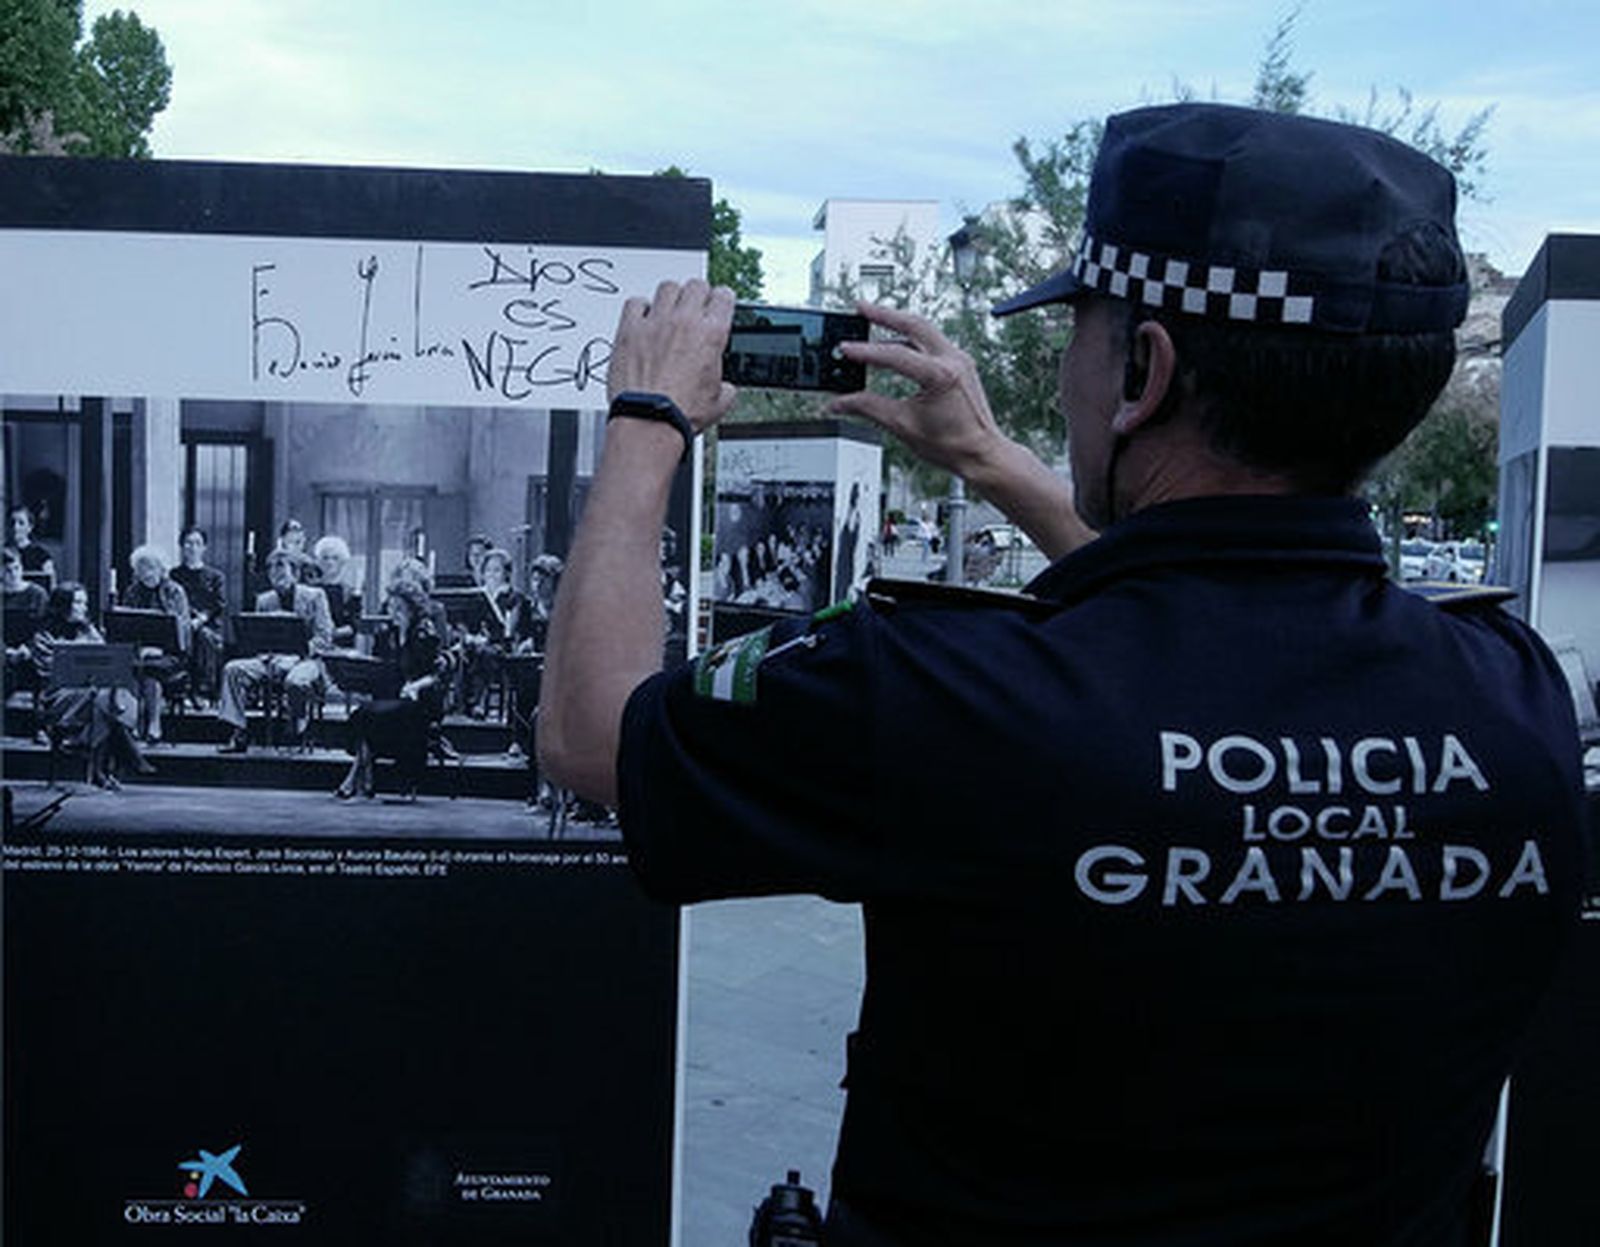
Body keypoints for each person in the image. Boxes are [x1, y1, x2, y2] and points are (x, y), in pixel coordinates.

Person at [539, 104, 1587, 1246]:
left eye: (1078, 334)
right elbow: (1189, 658)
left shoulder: (937, 693)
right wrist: (995, 463)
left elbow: (594, 734)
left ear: (1143, 368)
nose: (1065, 367)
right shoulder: (1513, 700)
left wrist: (646, 419)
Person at [335, 577, 450, 801]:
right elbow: (382, 670)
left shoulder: (423, 632)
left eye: (399, 608)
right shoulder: (387, 634)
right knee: (362, 714)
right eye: (391, 606)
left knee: (373, 714)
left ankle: (358, 777)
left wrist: (415, 685)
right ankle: (363, 772)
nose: (393, 612)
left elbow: (437, 674)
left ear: (412, 609)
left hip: (422, 699)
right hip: (394, 696)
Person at [32, 582, 152, 788]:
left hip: (94, 693)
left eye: (84, 603)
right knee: (105, 699)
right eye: (78, 602)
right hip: (59, 695)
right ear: (63, 604)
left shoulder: (90, 629)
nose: (83, 607)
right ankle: (119, 753)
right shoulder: (44, 634)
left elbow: (106, 661)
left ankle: (98, 770)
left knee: (104, 697)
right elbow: (49, 671)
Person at [216, 548, 332, 753]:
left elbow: (324, 638)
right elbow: (258, 641)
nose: (277, 576)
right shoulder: (264, 600)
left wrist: (297, 655)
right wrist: (269, 656)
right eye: (272, 572)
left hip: (308, 660)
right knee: (232, 669)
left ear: (295, 573)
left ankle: (297, 724)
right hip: (272, 659)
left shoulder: (315, 596)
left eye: (282, 570)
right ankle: (239, 730)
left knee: (296, 680)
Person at [121, 544, 191, 745]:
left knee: (150, 669)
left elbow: (183, 628)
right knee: (128, 667)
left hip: (171, 653)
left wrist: (159, 648)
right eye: (141, 568)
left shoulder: (174, 591)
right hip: (139, 651)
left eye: (150, 567)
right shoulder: (132, 592)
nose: (146, 573)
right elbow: (125, 624)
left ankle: (153, 723)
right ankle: (132, 721)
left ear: (162, 569)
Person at [171, 524, 227, 703]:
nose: (192, 547)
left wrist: (201, 619)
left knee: (203, 636)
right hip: (180, 622)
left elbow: (219, 604)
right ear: (181, 546)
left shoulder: (216, 576)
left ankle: (203, 690)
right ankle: (179, 689)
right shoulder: (174, 575)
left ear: (204, 547)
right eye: (188, 543)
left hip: (208, 625)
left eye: (197, 543)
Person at [3, 544, 48, 702]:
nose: (14, 574)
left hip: (32, 652)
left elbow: (44, 629)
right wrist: (5, 651)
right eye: (7, 570)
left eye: (17, 568)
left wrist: (28, 649)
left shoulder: (37, 594)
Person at [311, 534, 363, 647]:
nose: (330, 562)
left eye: (335, 558)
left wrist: (333, 634)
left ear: (342, 561)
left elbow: (354, 625)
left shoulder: (349, 593)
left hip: (342, 648)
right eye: (325, 558)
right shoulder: (310, 590)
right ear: (318, 561)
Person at [8, 503, 56, 583]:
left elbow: (51, 583)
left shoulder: (42, 556)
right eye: (12, 522)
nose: (15, 527)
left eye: (21, 523)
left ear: (30, 527)